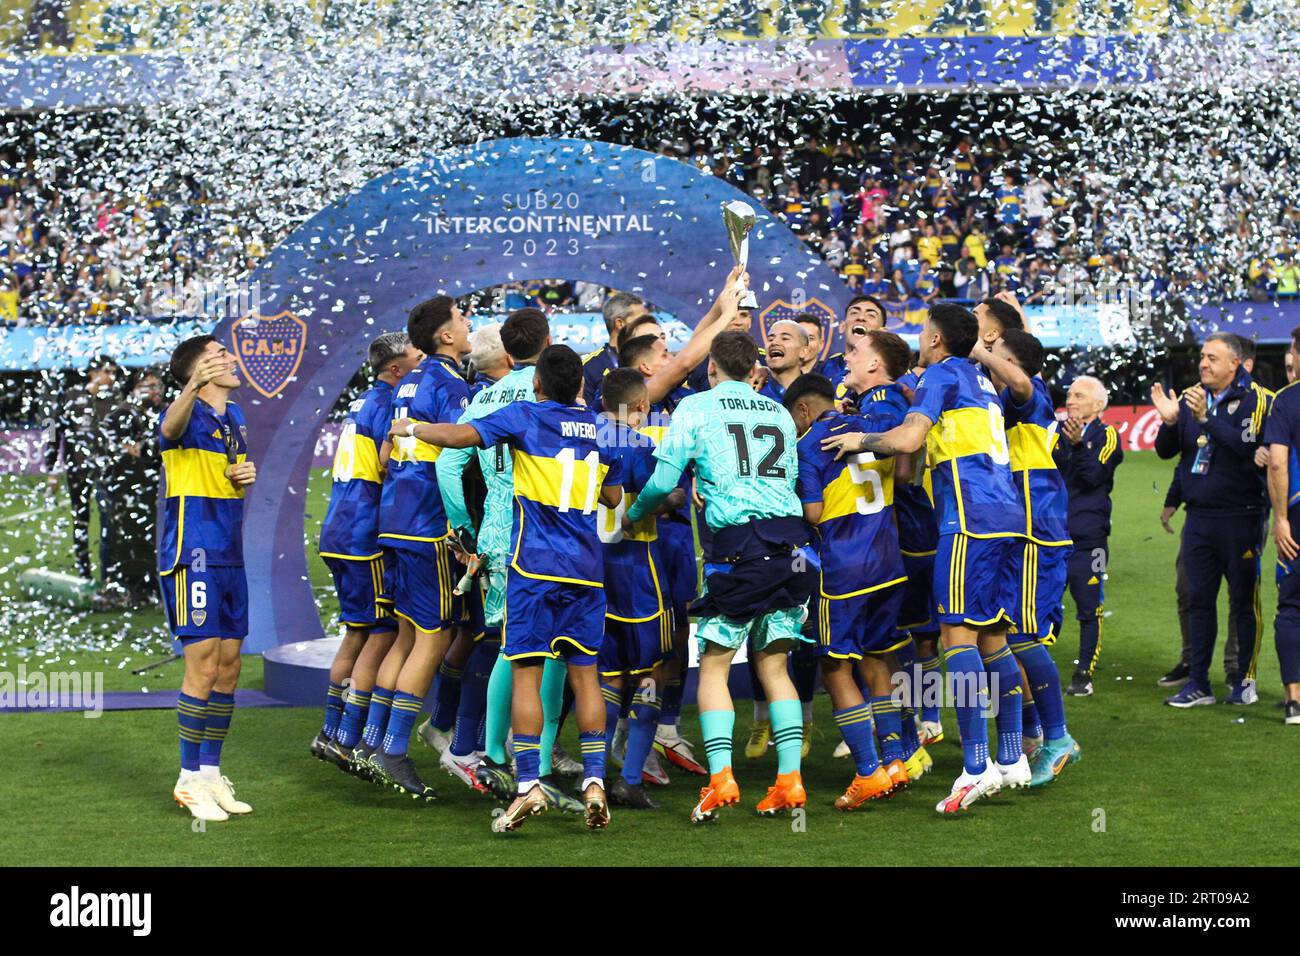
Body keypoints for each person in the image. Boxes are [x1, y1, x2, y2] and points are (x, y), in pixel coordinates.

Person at [393, 345, 625, 832]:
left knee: (525, 672)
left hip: (534, 567)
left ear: (537, 384)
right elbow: (613, 495)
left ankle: (526, 788)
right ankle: (596, 782)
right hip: (585, 570)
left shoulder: (523, 415)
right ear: (581, 386)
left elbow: (458, 438)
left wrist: (410, 428)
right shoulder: (603, 428)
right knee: (586, 675)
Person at [820, 303, 1028, 813]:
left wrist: (859, 439)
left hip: (969, 520)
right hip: (1008, 517)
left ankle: (974, 766)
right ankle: (1012, 755)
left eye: (924, 330)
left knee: (957, 638)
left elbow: (909, 439)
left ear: (935, 340)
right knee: (995, 637)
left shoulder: (940, 374)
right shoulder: (980, 380)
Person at [624, 330, 817, 823]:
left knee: (714, 666)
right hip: (793, 551)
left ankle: (720, 779)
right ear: (755, 370)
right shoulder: (775, 410)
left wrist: (636, 514)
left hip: (737, 552)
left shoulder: (696, 408)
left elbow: (664, 481)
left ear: (711, 369)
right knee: (774, 669)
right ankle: (789, 781)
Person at [434, 308, 581, 812]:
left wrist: (463, 528)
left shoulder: (482, 397)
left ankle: (492, 753)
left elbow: (449, 463)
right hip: (540, 529)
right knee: (553, 649)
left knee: (506, 646)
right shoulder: (541, 392)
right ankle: (532, 765)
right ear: (547, 341)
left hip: (495, 530)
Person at [786, 363, 912, 810]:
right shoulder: (870, 427)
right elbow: (905, 472)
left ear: (803, 411)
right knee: (879, 659)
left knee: (836, 668)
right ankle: (896, 759)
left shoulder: (808, 446)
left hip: (843, 573)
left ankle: (867, 771)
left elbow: (815, 513)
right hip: (888, 563)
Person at [361, 295, 472, 799]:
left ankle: (373, 740)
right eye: (462, 318)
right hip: (428, 524)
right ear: (445, 335)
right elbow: (457, 453)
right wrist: (461, 528)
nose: (468, 324)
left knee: (406, 635)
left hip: (393, 519)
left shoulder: (405, 382)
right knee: (432, 637)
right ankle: (395, 748)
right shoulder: (450, 384)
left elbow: (386, 452)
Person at [973, 328, 1082, 787]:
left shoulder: (1028, 389)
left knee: (1022, 638)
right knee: (1006, 637)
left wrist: (977, 348)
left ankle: (1058, 737)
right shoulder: (1008, 398)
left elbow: (1018, 379)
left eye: (994, 352)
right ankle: (1036, 734)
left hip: (1037, 530)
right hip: (1022, 530)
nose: (986, 360)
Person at [310, 332, 421, 773]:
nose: (422, 364)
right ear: (397, 369)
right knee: (381, 633)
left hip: (339, 530)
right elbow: (382, 462)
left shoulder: (363, 400)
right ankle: (352, 736)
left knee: (357, 633)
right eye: (416, 359)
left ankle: (333, 733)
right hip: (362, 534)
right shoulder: (387, 403)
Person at [158, 335, 257, 823]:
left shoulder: (234, 416)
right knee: (201, 664)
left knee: (230, 664)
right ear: (196, 370)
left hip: (228, 551)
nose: (229, 359)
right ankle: (187, 778)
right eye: (217, 356)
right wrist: (191, 387)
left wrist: (243, 475)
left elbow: (229, 472)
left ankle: (211, 771)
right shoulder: (187, 411)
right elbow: (167, 429)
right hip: (191, 552)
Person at [1152, 332, 1270, 707]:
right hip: (1200, 518)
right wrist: (1171, 422)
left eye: (1212, 358)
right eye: (1202, 357)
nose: (1203, 364)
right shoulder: (1191, 398)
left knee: (1242, 601)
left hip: (1242, 516)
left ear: (1235, 364)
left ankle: (1242, 679)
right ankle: (1199, 682)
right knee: (1198, 599)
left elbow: (1246, 449)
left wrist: (1205, 418)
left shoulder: (1256, 400)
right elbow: (1169, 452)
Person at [595, 368, 682, 809]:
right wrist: (681, 493)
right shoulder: (640, 444)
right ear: (642, 406)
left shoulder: (580, 434)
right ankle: (630, 777)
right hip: (638, 573)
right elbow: (660, 495)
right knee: (653, 672)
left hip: (593, 572)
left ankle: (594, 777)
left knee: (608, 676)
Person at [1060, 375, 1123, 696]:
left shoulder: (1107, 436)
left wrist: (1078, 445)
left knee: (1089, 608)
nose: (1070, 400)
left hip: (1090, 541)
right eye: (1070, 394)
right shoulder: (1056, 434)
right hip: (1053, 537)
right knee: (1043, 606)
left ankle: (1084, 673)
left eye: (1079, 396)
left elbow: (1094, 476)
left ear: (1099, 405)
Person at [44, 354, 121, 580]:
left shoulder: (116, 399)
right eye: (107, 372)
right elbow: (51, 429)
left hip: (109, 472)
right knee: (80, 522)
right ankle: (84, 575)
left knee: (110, 522)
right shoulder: (70, 396)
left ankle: (109, 577)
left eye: (114, 373)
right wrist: (51, 469)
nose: (112, 377)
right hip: (78, 471)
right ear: (92, 373)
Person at [100, 367, 165, 606]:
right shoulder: (121, 414)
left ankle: (152, 589)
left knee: (153, 539)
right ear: (133, 390)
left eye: (158, 385)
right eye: (149, 386)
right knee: (126, 541)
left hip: (152, 488)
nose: (155, 390)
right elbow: (132, 452)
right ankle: (126, 589)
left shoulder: (160, 413)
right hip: (125, 490)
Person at [1263, 326, 1300, 725]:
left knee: (1292, 606)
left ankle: (1294, 700)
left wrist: (1282, 518)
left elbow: (1277, 462)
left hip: (1299, 511)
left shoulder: (1288, 400)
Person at [583, 291, 649, 406]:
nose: (648, 325)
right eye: (641, 320)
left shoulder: (654, 359)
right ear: (620, 323)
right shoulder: (589, 367)